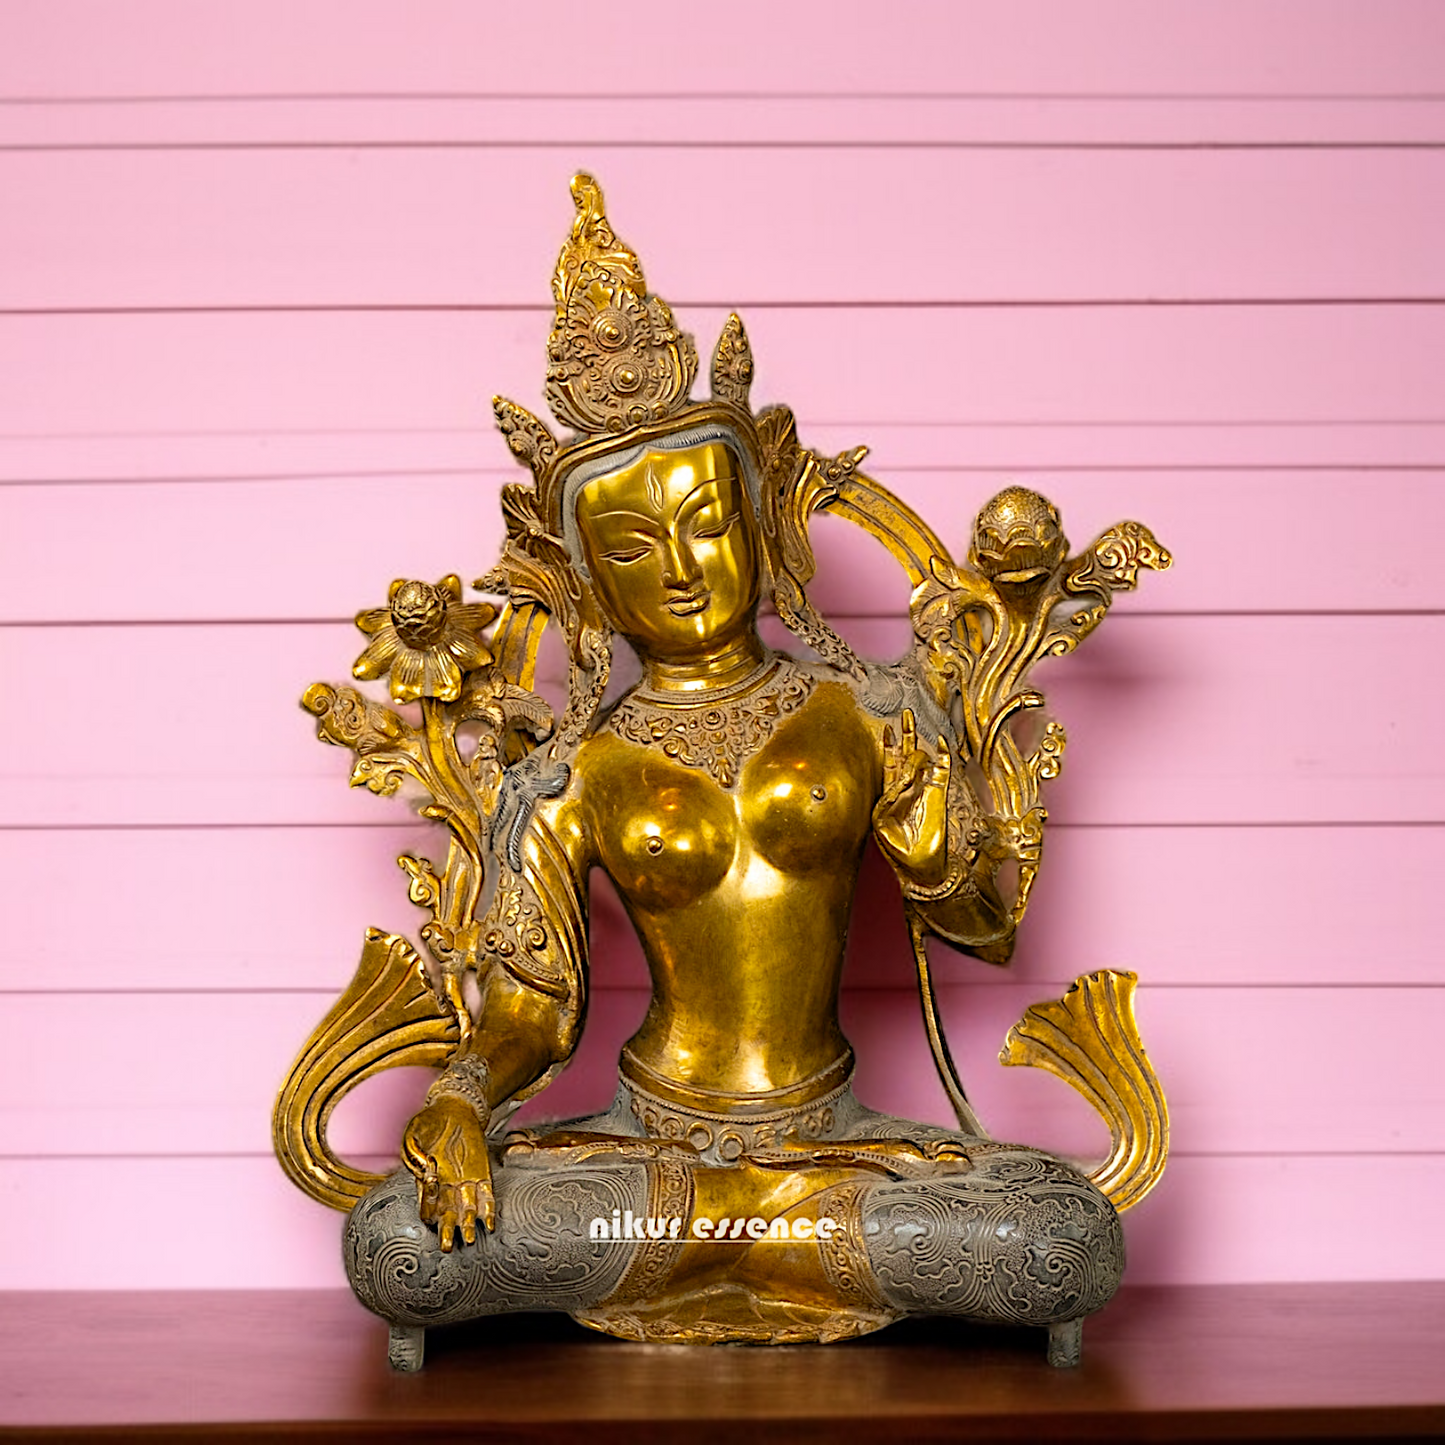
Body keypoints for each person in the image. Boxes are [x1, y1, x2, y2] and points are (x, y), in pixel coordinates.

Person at [333, 176, 1133, 1364]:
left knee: (1056, 1241)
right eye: (631, 546)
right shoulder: (571, 770)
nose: (681, 566)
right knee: (397, 1244)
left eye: (708, 522)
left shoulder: (862, 709)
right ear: (585, 583)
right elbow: (531, 1010)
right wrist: (457, 1099)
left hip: (828, 1148)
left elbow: (982, 927)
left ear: (766, 528)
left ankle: (739, 1242)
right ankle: (745, 1240)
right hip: (647, 1156)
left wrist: (952, 743)